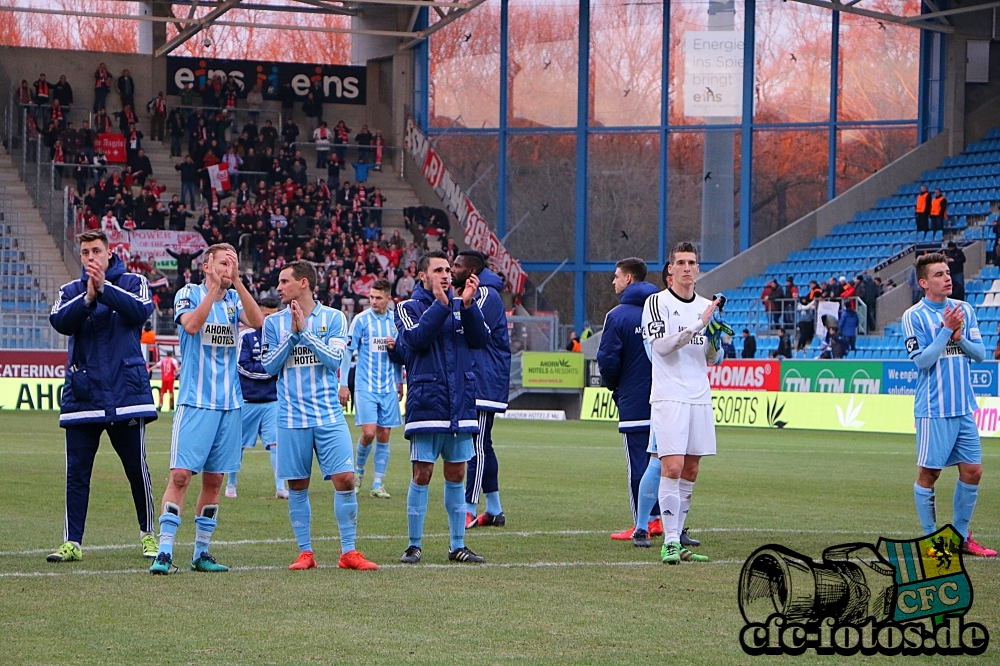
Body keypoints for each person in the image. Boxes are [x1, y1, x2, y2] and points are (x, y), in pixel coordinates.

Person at [149, 244, 264, 575]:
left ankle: (201, 552)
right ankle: (165, 551)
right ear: (207, 266)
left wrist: (238, 284)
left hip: (230, 404)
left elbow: (258, 323)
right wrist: (213, 288)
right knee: (181, 475)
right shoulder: (188, 293)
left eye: (234, 263)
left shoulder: (233, 300)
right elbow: (191, 326)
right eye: (224, 263)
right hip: (196, 402)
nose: (230, 268)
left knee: (214, 480)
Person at [46, 229, 158, 563]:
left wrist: (104, 289)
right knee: (76, 474)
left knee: (137, 470)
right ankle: (72, 542)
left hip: (127, 393)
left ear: (109, 253)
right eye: (85, 252)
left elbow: (141, 313)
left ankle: (149, 536)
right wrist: (88, 298)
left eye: (96, 250)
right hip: (84, 395)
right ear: (80, 256)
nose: (91, 256)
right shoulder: (70, 291)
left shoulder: (133, 282)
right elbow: (60, 322)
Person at [261, 261, 378, 571]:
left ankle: (349, 552)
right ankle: (305, 552)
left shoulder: (334, 318)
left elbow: (334, 359)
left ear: (303, 283)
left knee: (346, 478)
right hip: (291, 417)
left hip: (327, 414)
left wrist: (306, 334)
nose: (279, 287)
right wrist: (291, 336)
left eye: (285, 281)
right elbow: (269, 367)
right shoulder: (273, 323)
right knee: (298, 485)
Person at [394, 250, 487, 564]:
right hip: (427, 402)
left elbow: (480, 340)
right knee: (422, 473)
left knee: (457, 473)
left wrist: (470, 307)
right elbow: (416, 339)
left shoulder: (463, 306)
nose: (446, 275)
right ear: (422, 275)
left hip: (460, 403)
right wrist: (441, 305)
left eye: (448, 269)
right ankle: (414, 544)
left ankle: (457, 544)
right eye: (438, 270)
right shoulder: (407, 308)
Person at [902, 252, 995, 557]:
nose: (947, 278)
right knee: (929, 475)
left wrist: (959, 336)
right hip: (934, 408)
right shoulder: (913, 316)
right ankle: (931, 541)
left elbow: (980, 354)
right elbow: (923, 362)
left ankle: (959, 538)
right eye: (940, 274)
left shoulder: (964, 309)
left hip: (963, 406)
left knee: (973, 471)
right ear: (924, 283)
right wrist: (945, 331)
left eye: (948, 272)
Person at [641, 242, 720, 564]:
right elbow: (661, 347)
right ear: (670, 270)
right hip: (669, 395)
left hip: (699, 395)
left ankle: (678, 537)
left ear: (698, 270)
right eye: (681, 262)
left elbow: (712, 358)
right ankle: (669, 542)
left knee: (691, 469)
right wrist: (699, 324)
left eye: (692, 262)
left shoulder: (705, 305)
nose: (687, 267)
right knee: (670, 466)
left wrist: (714, 338)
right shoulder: (656, 303)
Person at [597, 257, 665, 547]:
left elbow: (608, 359)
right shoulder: (664, 310)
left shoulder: (618, 315)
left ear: (628, 279)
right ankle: (661, 518)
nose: (613, 282)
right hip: (665, 399)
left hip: (634, 400)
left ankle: (642, 522)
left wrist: (615, 387)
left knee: (638, 462)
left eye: (616, 276)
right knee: (664, 461)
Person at [452, 251, 512, 529]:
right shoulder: (474, 292)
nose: (453, 269)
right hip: (476, 376)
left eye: (457, 266)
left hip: (484, 379)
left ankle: (468, 507)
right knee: (483, 443)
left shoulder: (487, 295)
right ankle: (495, 509)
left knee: (475, 444)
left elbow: (469, 327)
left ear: (472, 270)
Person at [338, 279, 404, 499]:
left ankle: (377, 483)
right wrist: (344, 384)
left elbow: (400, 354)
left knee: (384, 434)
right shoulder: (361, 320)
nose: (374, 301)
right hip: (366, 386)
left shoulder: (396, 321)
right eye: (371, 297)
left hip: (388, 386)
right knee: (368, 433)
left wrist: (400, 382)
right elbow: (348, 353)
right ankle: (358, 472)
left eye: (378, 298)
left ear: (388, 299)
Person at [227, 297, 286, 500]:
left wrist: (271, 372)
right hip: (248, 400)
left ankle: (280, 487)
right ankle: (231, 483)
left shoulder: (282, 338)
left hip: (273, 401)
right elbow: (243, 366)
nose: (271, 320)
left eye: (274, 315)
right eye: (267, 315)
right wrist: (269, 372)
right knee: (238, 445)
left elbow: (283, 366)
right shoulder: (247, 337)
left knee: (277, 444)